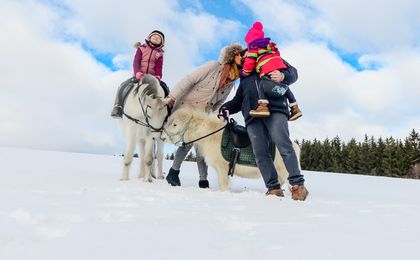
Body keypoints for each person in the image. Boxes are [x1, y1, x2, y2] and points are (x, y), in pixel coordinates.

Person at [219, 58, 309, 200]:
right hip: (253, 117)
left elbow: (293, 73)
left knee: (283, 144)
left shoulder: (270, 58)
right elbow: (238, 100)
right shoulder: (245, 76)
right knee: (260, 153)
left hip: (276, 111)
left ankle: (298, 185)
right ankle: (273, 187)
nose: (247, 56)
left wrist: (282, 76)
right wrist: (225, 108)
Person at [165, 43, 245, 188]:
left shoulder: (231, 81)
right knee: (188, 143)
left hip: (203, 115)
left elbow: (219, 103)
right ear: (232, 57)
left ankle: (203, 180)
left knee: (202, 145)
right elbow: (189, 80)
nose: (244, 57)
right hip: (187, 109)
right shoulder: (213, 66)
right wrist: (171, 97)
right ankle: (174, 172)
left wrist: (217, 116)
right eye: (241, 54)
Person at [241, 22, 302, 121]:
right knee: (285, 87)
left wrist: (245, 72)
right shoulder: (269, 46)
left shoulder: (253, 48)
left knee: (262, 85)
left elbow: (250, 63)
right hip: (279, 66)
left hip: (268, 70)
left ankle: (263, 106)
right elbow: (277, 54)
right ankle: (295, 108)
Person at [111, 30, 169, 118]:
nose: (156, 38)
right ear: (149, 38)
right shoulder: (142, 48)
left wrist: (158, 76)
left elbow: (159, 66)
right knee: (123, 86)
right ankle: (118, 107)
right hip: (139, 75)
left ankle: (167, 115)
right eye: (154, 36)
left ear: (161, 42)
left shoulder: (160, 53)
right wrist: (137, 72)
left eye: (159, 38)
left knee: (165, 89)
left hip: (152, 78)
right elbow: (136, 62)